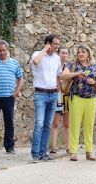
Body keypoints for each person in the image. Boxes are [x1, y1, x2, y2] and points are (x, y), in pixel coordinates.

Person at [60, 44, 96, 161]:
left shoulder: (94, 67)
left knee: (89, 126)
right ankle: (73, 152)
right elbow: (63, 76)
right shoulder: (72, 65)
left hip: (91, 99)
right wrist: (76, 74)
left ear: (88, 53)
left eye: (83, 52)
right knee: (74, 125)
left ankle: (89, 152)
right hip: (76, 98)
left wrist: (95, 82)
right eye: (79, 52)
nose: (80, 54)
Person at [30, 34, 62, 162]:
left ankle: (43, 153)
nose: (57, 46)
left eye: (58, 44)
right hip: (41, 94)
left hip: (53, 94)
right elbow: (36, 62)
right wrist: (44, 49)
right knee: (39, 124)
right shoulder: (37, 54)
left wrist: (59, 87)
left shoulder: (57, 58)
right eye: (55, 44)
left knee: (48, 125)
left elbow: (58, 74)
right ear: (48, 43)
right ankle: (35, 154)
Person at [49, 47, 70, 157]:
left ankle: (68, 147)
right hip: (56, 95)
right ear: (58, 54)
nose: (64, 55)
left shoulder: (69, 67)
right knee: (55, 122)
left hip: (66, 96)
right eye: (62, 53)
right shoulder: (53, 65)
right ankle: (53, 147)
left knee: (67, 123)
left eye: (66, 53)